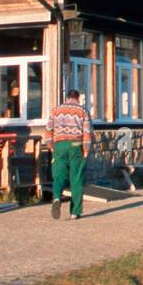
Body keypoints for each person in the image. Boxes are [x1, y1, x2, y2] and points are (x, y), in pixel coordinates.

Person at [46, 89, 92, 220]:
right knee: (76, 178)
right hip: (75, 145)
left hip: (59, 145)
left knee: (59, 177)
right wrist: (86, 149)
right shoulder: (82, 111)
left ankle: (56, 198)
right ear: (78, 98)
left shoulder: (56, 110)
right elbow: (87, 131)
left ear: (66, 98)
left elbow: (49, 129)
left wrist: (51, 147)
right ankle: (75, 212)